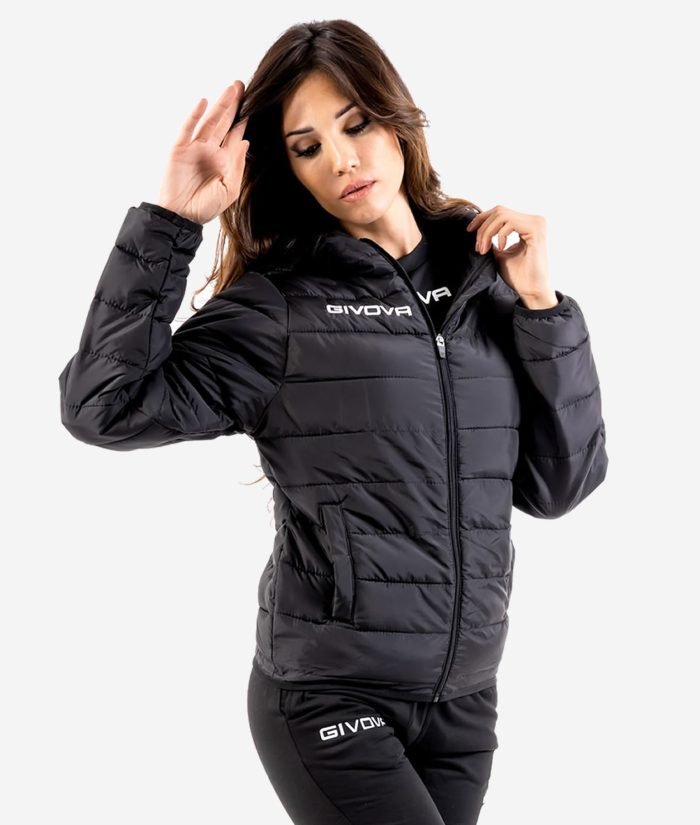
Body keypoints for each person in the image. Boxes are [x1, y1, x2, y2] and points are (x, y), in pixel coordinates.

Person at [58, 18, 608, 825]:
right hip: (330, 695)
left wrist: (541, 305)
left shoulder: (488, 280)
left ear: (398, 119)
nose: (343, 159)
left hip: (463, 704)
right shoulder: (283, 309)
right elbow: (101, 405)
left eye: (356, 124)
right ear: (289, 169)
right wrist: (172, 223)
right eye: (308, 146)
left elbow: (560, 486)